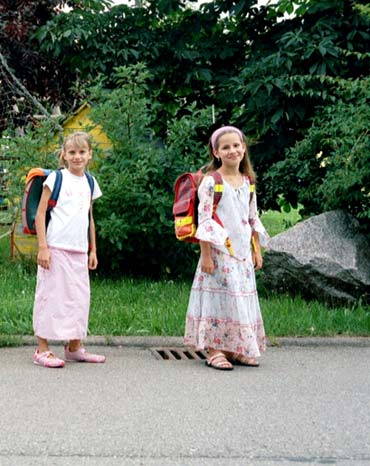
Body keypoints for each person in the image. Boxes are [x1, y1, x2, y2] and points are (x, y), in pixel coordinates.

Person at [184, 125, 269, 370]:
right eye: (225, 147)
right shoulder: (212, 182)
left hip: (241, 256)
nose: (232, 150)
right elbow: (205, 219)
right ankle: (215, 349)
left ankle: (236, 348)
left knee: (239, 300)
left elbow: (252, 217)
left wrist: (256, 249)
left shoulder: (247, 181)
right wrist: (206, 256)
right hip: (220, 255)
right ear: (216, 152)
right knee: (218, 301)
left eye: (236, 145)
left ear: (244, 148)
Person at [32, 131, 105, 368]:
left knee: (79, 299)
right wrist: (43, 247)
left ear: (90, 155)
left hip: (79, 251)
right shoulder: (55, 179)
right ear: (64, 155)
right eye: (72, 152)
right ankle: (42, 349)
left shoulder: (90, 182)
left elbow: (90, 217)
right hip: (55, 248)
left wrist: (92, 249)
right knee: (49, 296)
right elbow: (40, 214)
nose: (77, 157)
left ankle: (74, 347)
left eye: (82, 152)